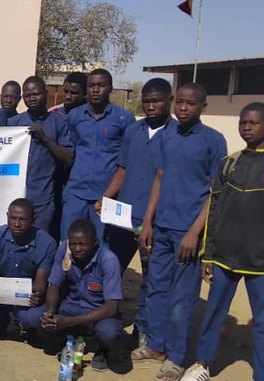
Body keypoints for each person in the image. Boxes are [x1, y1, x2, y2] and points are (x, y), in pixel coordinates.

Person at [181, 102, 264, 381]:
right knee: (213, 315)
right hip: (224, 259)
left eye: (253, 123)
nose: (246, 127)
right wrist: (208, 254)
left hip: (262, 264)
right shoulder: (229, 163)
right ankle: (204, 365)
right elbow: (215, 211)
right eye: (243, 122)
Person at [134, 83, 227, 381]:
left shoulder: (214, 140)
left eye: (191, 104)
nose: (183, 108)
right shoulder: (168, 135)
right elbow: (159, 180)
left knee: (182, 298)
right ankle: (156, 346)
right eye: (181, 103)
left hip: (188, 233)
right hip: (161, 228)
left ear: (203, 107)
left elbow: (216, 193)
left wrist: (194, 232)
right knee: (157, 290)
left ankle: (175, 357)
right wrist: (148, 222)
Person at [94, 78, 172, 350]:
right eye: (147, 101)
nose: (150, 106)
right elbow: (122, 169)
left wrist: (150, 221)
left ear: (169, 100)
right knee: (110, 270)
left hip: (154, 222)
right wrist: (105, 196)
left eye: (156, 101)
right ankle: (107, 323)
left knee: (152, 281)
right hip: (123, 216)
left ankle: (142, 331)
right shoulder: (133, 131)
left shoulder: (176, 135)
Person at [22, 219, 131, 374]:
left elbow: (112, 307)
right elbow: (54, 285)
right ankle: (68, 341)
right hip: (70, 306)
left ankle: (104, 349)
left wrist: (69, 321)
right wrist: (51, 311)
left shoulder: (108, 260)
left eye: (83, 244)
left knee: (110, 332)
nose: (77, 249)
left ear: (94, 242)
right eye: (73, 244)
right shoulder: (64, 250)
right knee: (33, 317)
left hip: (98, 312)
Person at [60, 69, 136, 240]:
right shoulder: (74, 116)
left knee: (101, 246)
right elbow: (72, 150)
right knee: (68, 243)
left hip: (106, 195)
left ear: (110, 88)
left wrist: (109, 194)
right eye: (91, 86)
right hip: (76, 192)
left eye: (101, 85)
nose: (95, 90)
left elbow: (126, 162)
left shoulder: (124, 119)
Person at [0, 199, 57, 339]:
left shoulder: (47, 243)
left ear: (33, 219)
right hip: (1, 293)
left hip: (26, 296)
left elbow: (40, 284)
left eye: (22, 219)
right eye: (13, 218)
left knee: (34, 317)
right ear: (7, 216)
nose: (17, 224)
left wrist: (36, 296)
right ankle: (0, 322)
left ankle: (24, 324)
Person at [8, 76, 73, 234]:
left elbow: (68, 158)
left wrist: (45, 140)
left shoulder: (59, 122)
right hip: (14, 196)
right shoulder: (13, 123)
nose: (31, 99)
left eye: (35, 94)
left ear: (45, 94)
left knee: (40, 242)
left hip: (43, 199)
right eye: (27, 95)